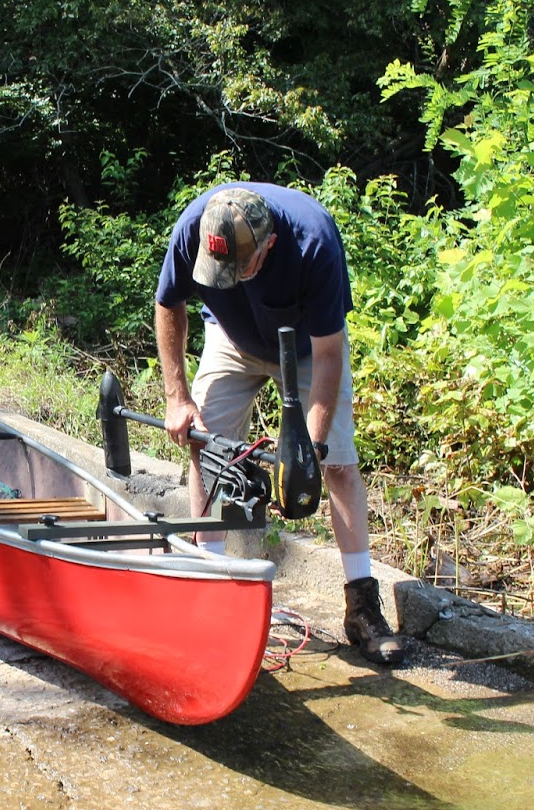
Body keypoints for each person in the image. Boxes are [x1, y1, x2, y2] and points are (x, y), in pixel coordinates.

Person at [154, 182, 404, 666]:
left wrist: (308, 447)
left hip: (309, 350)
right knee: (206, 446)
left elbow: (330, 354)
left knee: (338, 466)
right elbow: (169, 304)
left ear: (268, 246)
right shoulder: (195, 227)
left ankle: (362, 607)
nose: (225, 277)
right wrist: (177, 397)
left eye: (237, 270)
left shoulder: (314, 241)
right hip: (230, 337)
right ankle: (212, 581)